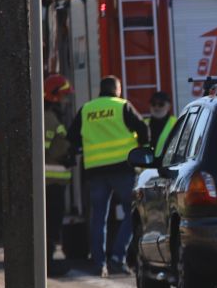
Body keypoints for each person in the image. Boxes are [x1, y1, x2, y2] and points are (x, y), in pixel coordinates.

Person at [66, 75, 149, 274]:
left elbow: (71, 137)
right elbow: (143, 129)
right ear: (117, 89)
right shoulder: (122, 106)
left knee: (98, 218)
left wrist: (82, 148)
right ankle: (117, 258)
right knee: (133, 213)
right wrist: (141, 148)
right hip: (122, 169)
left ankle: (99, 263)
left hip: (95, 171)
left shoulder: (87, 109)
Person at [42, 74, 74, 272]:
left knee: (53, 221)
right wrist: (65, 155)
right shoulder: (48, 118)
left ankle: (49, 259)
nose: (66, 101)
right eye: (63, 96)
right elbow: (46, 149)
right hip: (50, 182)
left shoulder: (49, 115)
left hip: (54, 181)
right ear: (54, 96)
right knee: (51, 222)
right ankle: (48, 261)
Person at [147, 91, 175, 155]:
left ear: (169, 107)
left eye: (161, 104)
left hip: (168, 163)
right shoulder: (143, 124)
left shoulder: (176, 123)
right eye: (153, 104)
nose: (156, 107)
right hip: (147, 164)